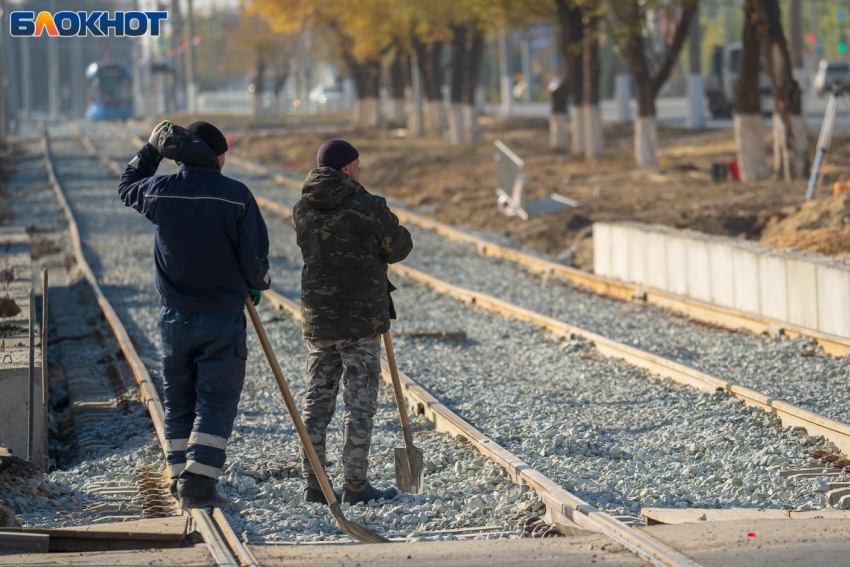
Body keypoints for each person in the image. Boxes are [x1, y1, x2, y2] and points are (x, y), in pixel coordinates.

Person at [119, 120, 271, 509]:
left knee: (179, 398)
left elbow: (127, 185)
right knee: (216, 401)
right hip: (221, 317)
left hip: (174, 318)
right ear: (219, 156)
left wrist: (151, 149)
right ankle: (199, 485)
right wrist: (257, 284)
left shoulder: (161, 190)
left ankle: (177, 475)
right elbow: (255, 261)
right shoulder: (236, 195)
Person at [293, 139, 413, 505]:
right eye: (357, 166)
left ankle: (314, 483)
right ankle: (355, 486)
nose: (361, 171)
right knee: (359, 405)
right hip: (360, 321)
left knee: (317, 401)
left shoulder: (303, 207)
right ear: (345, 168)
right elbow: (401, 246)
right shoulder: (368, 207)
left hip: (318, 319)